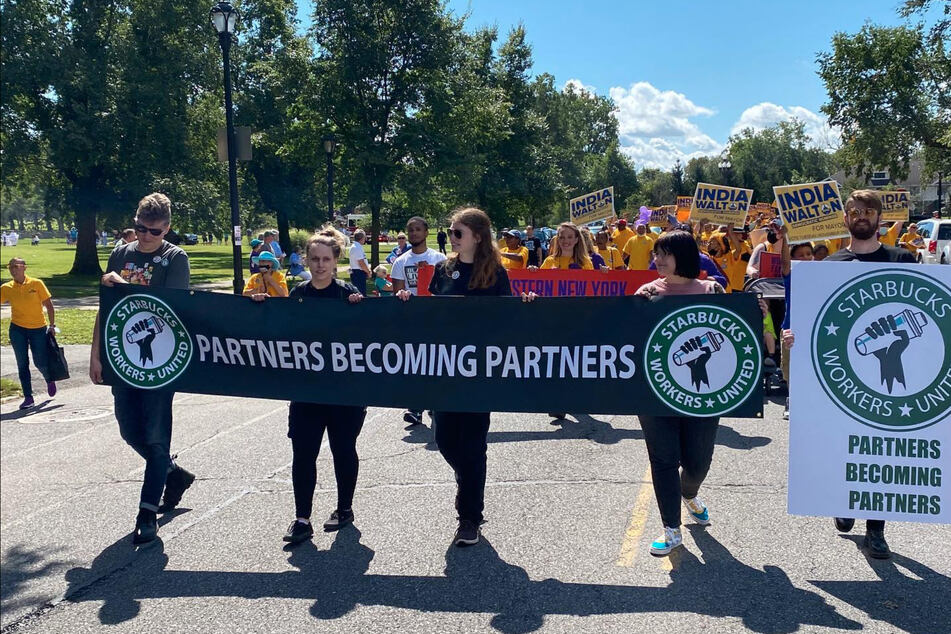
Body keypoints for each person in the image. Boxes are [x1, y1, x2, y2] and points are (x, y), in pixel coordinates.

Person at [784, 189, 915, 560]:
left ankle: (876, 530)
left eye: (869, 210)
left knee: (882, 452)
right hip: (845, 373)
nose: (862, 215)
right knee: (842, 444)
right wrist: (795, 335)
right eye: (855, 210)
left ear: (879, 218)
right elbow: (813, 320)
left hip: (891, 375)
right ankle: (843, 500)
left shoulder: (902, 259)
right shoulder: (828, 267)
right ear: (845, 219)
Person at [396, 207, 534, 546]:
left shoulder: (495, 273)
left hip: (478, 372)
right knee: (444, 440)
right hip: (445, 369)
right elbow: (432, 313)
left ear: (477, 236)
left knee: (473, 446)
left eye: (458, 233)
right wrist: (406, 302)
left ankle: (469, 516)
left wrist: (525, 304)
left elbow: (506, 318)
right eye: (451, 233)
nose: (452, 238)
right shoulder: (443, 270)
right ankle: (468, 479)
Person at [88, 193, 195, 545]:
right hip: (122, 357)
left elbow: (170, 308)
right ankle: (171, 473)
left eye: (153, 231)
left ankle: (147, 513)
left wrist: (125, 286)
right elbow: (108, 309)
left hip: (160, 360)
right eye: (140, 228)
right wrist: (96, 354)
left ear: (166, 229)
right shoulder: (120, 253)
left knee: (155, 434)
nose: (145, 236)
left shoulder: (173, 258)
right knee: (129, 430)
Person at [634, 230, 726, 556]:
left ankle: (689, 492)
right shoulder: (646, 292)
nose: (656, 260)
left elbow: (731, 333)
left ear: (683, 256)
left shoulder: (712, 290)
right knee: (662, 460)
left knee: (698, 462)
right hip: (654, 393)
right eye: (655, 254)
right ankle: (671, 529)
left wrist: (751, 311)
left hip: (703, 395)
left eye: (664, 254)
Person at [282, 227, 368, 544]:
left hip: (344, 392)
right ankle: (302, 518)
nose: (319, 265)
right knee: (303, 454)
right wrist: (261, 309)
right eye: (314, 259)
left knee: (342, 449)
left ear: (335, 262)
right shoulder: (297, 295)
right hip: (306, 392)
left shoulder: (348, 295)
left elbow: (369, 338)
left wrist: (363, 312)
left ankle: (344, 508)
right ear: (306, 260)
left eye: (325, 259)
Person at [391, 216, 447, 425]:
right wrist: (403, 295)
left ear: (426, 232)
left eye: (418, 229)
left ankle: (436, 403)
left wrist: (430, 276)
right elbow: (397, 292)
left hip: (435, 319)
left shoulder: (439, 258)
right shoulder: (401, 261)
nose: (414, 233)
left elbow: (447, 290)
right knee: (415, 363)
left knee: (436, 361)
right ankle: (415, 407)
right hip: (413, 320)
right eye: (410, 230)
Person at [1, 258, 57, 409]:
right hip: (17, 329)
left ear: (24, 268)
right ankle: (28, 397)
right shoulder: (6, 287)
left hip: (38, 328)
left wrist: (52, 325)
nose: (13, 270)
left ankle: (49, 379)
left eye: (16, 267)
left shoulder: (36, 283)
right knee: (22, 363)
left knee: (39, 361)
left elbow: (49, 306)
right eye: (10, 267)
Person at [348, 229, 372, 296]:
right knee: (360, 293)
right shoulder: (356, 247)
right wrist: (368, 272)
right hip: (358, 273)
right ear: (362, 238)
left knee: (361, 292)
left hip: (358, 272)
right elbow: (361, 263)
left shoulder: (357, 246)